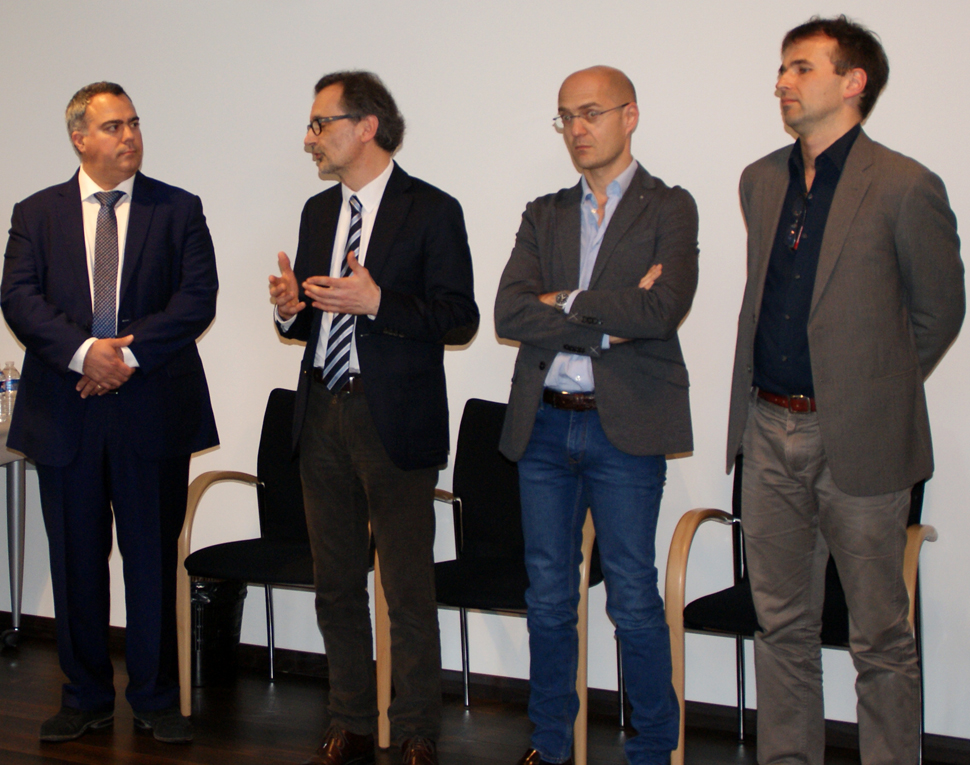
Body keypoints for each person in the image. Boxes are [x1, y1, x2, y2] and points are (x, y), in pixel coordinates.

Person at [726, 15, 964, 765]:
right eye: (782, 70)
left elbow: (939, 310)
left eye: (800, 68)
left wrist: (870, 385)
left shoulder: (905, 184)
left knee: (880, 634)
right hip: (767, 428)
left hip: (859, 437)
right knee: (781, 625)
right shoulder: (760, 179)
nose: (782, 82)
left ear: (852, 81)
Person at [268, 70, 478, 765]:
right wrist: (291, 310)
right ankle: (351, 718)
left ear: (366, 126)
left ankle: (416, 728)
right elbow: (312, 319)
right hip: (322, 410)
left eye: (320, 123)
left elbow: (458, 316)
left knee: (407, 585)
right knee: (336, 581)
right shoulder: (316, 213)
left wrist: (379, 302)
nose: (310, 137)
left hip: (394, 417)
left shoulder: (432, 210)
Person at [1, 82, 219, 743]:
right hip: (66, 411)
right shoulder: (35, 213)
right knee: (75, 559)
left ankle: (156, 698)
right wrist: (83, 353)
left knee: (152, 558)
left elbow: (196, 298)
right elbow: (19, 297)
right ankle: (85, 694)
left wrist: (122, 359)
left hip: (151, 409)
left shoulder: (177, 209)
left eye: (134, 124)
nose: (129, 136)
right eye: (113, 126)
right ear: (80, 137)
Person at [495, 66, 698, 765]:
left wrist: (566, 302)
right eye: (565, 117)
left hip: (626, 427)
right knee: (549, 598)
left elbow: (661, 310)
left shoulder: (670, 207)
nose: (577, 130)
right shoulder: (544, 212)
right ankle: (549, 745)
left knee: (633, 596)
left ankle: (651, 748)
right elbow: (510, 312)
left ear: (629, 115)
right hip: (547, 422)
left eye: (590, 113)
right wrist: (607, 310)